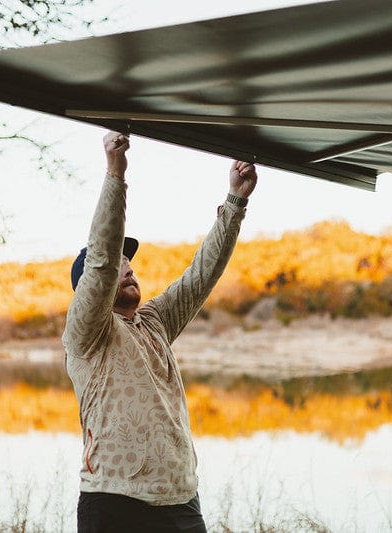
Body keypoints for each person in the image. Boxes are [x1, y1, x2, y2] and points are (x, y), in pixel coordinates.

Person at [62, 131, 258, 532]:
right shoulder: (87, 333)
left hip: (180, 498)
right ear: (91, 290)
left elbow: (201, 275)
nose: (128, 267)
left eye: (130, 263)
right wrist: (115, 173)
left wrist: (236, 201)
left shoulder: (154, 321)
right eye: (120, 265)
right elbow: (100, 258)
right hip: (113, 500)